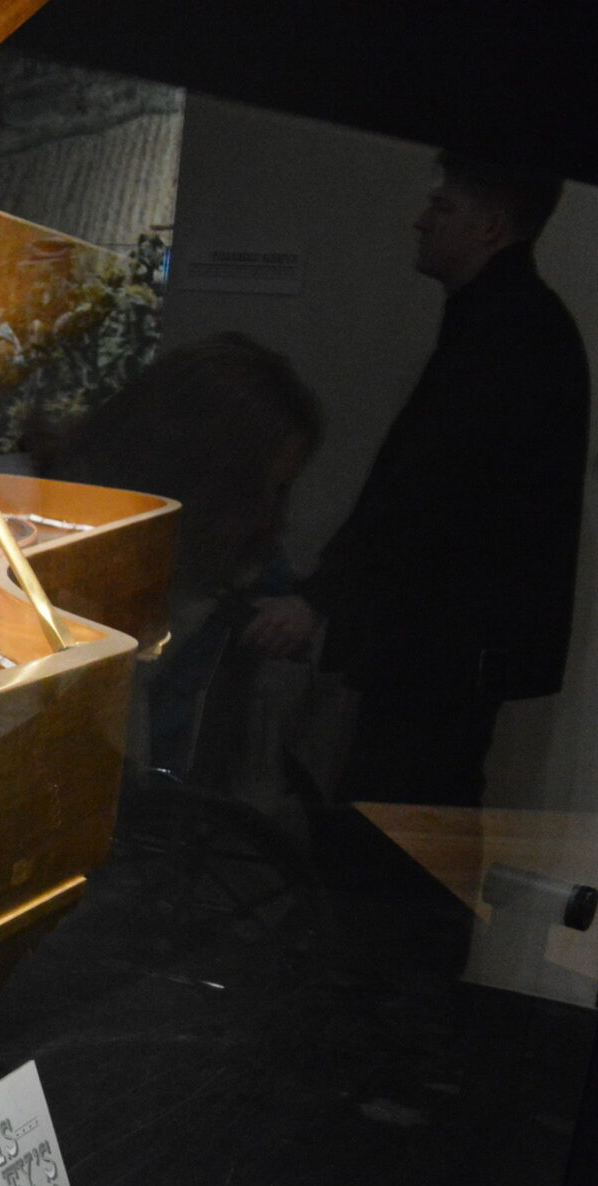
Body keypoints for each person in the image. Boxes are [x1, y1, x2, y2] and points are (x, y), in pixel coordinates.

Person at [244, 152, 589, 806]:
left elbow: (427, 489)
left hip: (436, 650)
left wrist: (323, 598)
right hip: (453, 650)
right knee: (413, 822)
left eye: (443, 206)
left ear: (491, 226)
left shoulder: (502, 333)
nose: (421, 220)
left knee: (394, 822)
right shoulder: (518, 324)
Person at [36, 333, 323, 777]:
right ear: (200, 468)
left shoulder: (240, 561)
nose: (268, 510)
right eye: (255, 487)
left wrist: (302, 611)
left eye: (280, 490)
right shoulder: (39, 526)